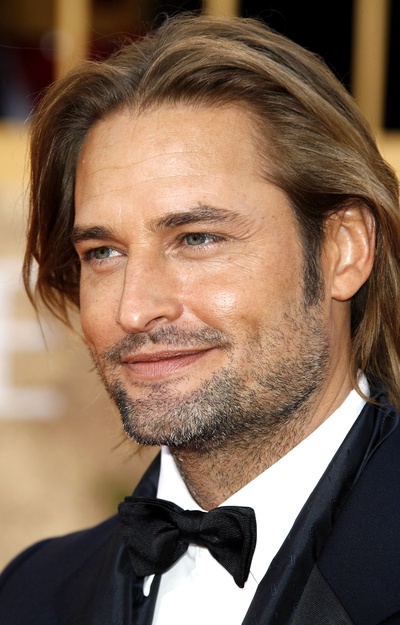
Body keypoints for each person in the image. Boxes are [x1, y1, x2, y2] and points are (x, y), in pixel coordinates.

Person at [1, 13, 400, 625]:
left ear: (343, 249)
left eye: (198, 239)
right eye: (102, 253)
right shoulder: (31, 595)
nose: (135, 309)